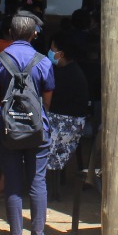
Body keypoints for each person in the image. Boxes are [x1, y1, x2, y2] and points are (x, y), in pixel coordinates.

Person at [0, 12, 55, 235]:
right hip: (38, 130)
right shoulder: (44, 61)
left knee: (12, 180)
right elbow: (47, 99)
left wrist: (5, 116)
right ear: (34, 34)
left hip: (6, 129)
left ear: (11, 33)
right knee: (37, 181)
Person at [47, 29, 90, 176]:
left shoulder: (67, 74)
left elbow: (50, 103)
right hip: (66, 121)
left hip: (66, 124)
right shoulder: (69, 70)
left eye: (53, 49)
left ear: (61, 53)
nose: (50, 52)